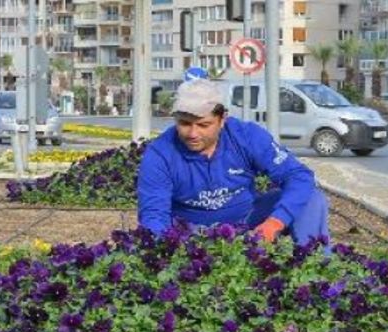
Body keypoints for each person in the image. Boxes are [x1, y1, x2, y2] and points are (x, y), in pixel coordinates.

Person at [137, 78, 330, 246]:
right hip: (190, 232)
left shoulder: (246, 137)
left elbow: (298, 176)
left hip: (246, 221)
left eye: (203, 125)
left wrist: (275, 222)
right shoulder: (159, 153)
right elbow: (153, 215)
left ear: (222, 120)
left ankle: (317, 272)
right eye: (184, 124)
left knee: (312, 199)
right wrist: (167, 251)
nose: (193, 134)